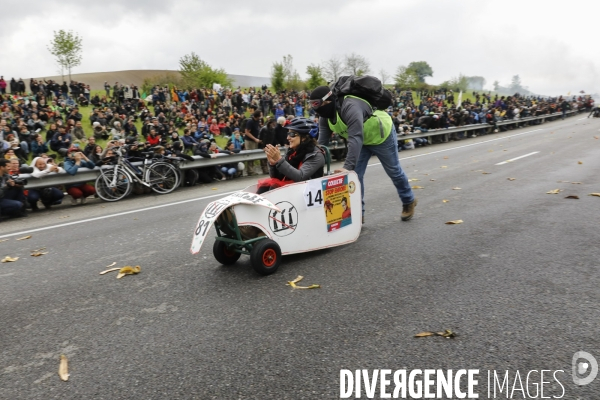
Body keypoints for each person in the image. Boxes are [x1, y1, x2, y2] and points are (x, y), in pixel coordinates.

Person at [310, 85, 416, 223]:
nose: (315, 108)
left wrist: (347, 166)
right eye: (312, 105)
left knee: (394, 171)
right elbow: (322, 145)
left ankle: (409, 200)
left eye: (317, 104)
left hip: (381, 135)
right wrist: (311, 167)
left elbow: (355, 138)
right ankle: (359, 214)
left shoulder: (349, 106)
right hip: (362, 142)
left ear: (328, 100)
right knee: (355, 177)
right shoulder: (325, 117)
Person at [257, 117, 325, 194]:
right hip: (295, 190)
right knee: (265, 188)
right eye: (288, 134)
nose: (288, 138)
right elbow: (278, 178)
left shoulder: (316, 155)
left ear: (304, 138)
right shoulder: (291, 151)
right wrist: (273, 164)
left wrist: (279, 160)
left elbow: (300, 177)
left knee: (273, 188)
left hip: (307, 192)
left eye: (292, 134)